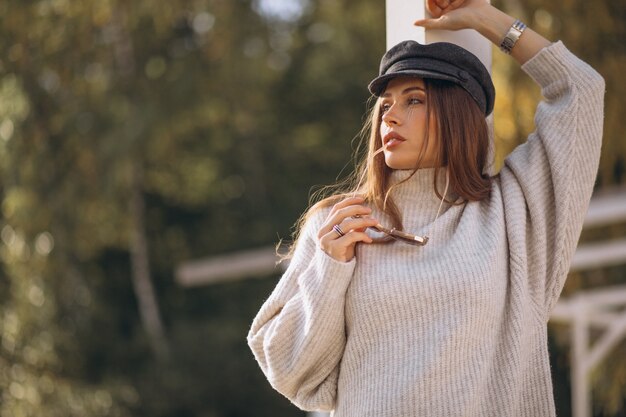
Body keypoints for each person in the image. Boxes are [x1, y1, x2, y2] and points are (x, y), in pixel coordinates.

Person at [247, 0, 605, 415]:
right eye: (386, 105)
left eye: (413, 100)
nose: (391, 116)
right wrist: (329, 269)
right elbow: (288, 369)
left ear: (458, 115)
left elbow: (581, 90)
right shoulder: (340, 225)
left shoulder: (514, 213)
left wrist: (485, 18)